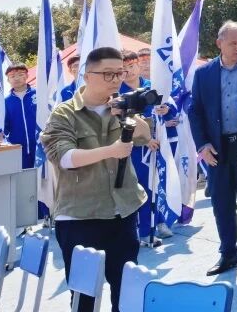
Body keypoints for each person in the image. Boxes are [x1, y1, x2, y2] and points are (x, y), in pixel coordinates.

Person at [40, 46, 154, 312]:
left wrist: (129, 115)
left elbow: (145, 135)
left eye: (120, 73)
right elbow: (64, 158)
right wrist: (111, 151)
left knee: (126, 291)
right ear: (87, 75)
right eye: (108, 74)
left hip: (123, 211)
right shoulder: (64, 114)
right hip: (81, 216)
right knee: (84, 297)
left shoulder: (121, 106)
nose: (115, 80)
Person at [188, 20, 237, 276]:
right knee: (222, 202)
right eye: (233, 43)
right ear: (219, 44)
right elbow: (194, 111)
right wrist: (202, 145)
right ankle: (229, 252)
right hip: (217, 149)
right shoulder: (204, 74)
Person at [119, 51, 157, 248]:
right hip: (132, 148)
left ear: (139, 65)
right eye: (124, 68)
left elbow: (166, 110)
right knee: (135, 189)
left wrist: (167, 112)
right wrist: (145, 137)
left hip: (155, 146)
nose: (129, 71)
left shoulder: (151, 86)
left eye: (132, 65)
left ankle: (151, 229)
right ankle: (138, 232)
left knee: (153, 187)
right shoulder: (117, 92)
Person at [2, 62, 38, 169]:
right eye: (12, 76)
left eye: (20, 74)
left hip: (40, 146)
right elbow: (4, 127)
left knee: (43, 177)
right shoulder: (5, 102)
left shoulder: (39, 94)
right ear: (8, 80)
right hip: (18, 149)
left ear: (27, 76)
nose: (16, 78)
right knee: (22, 177)